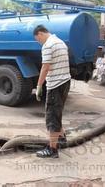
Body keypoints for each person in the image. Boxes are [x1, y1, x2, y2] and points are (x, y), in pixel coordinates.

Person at [33, 25, 71, 158]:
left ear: (40, 34)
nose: (39, 42)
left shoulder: (48, 45)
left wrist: (38, 86)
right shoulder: (60, 42)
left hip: (55, 85)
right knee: (57, 112)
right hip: (65, 82)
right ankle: (62, 138)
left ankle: (52, 149)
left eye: (37, 40)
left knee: (52, 117)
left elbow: (45, 67)